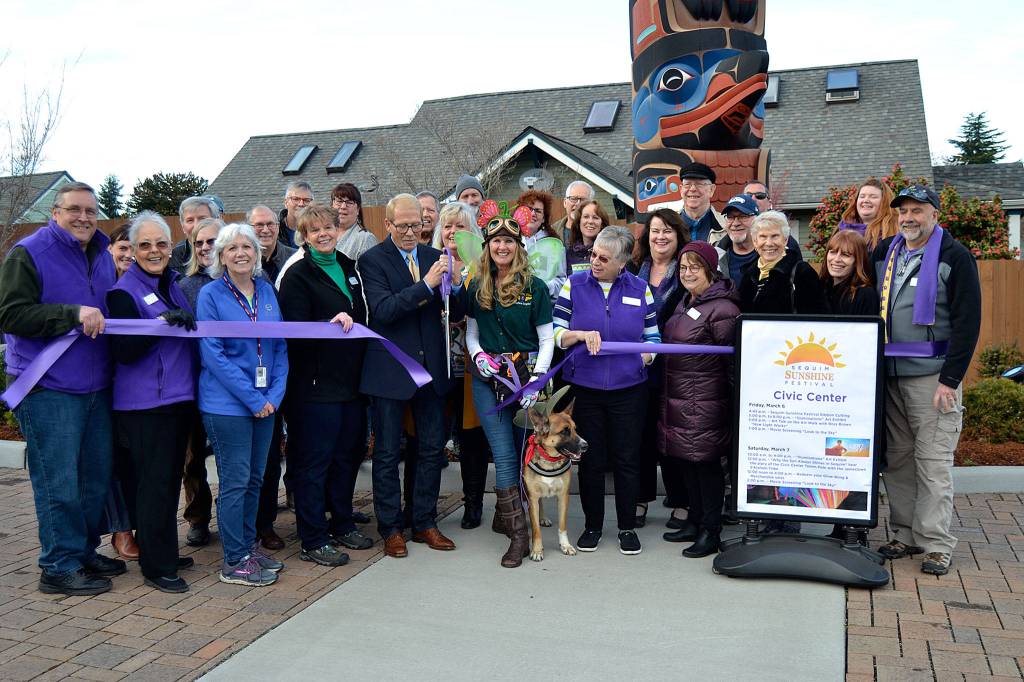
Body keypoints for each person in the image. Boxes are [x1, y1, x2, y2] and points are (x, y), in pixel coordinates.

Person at [0, 182, 125, 595]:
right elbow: (11, 314)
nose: (84, 218)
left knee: (93, 478)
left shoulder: (103, 255)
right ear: (55, 212)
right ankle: (58, 565)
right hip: (46, 385)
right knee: (59, 482)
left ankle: (83, 551)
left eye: (91, 211)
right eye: (74, 209)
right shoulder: (29, 253)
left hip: (95, 385)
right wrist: (71, 314)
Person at [872, 184, 981, 576]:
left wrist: (950, 379)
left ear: (935, 214)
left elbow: (968, 323)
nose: (909, 218)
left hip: (933, 379)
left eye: (918, 210)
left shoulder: (955, 257)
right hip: (890, 376)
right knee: (897, 460)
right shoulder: (887, 252)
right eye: (903, 211)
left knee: (933, 462)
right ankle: (905, 532)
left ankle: (936, 543)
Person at [358, 193, 463, 558]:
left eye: (415, 224)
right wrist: (426, 286)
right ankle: (391, 528)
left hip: (432, 371)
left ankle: (424, 522)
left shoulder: (437, 258)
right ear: (386, 225)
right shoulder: (372, 260)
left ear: (423, 222)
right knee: (387, 453)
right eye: (401, 225)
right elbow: (384, 311)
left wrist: (458, 283)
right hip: (390, 371)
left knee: (431, 450)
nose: (408, 231)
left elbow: (457, 310)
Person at [106, 212, 198, 593]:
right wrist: (161, 324)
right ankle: (156, 566)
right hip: (145, 405)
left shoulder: (173, 284)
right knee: (154, 485)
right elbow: (124, 350)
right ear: (133, 250)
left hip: (178, 398)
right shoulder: (122, 293)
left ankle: (163, 550)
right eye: (144, 244)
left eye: (161, 243)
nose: (154, 251)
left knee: (168, 481)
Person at [554, 227, 660, 555]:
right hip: (584, 388)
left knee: (627, 459)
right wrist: (580, 334)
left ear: (622, 263)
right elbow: (557, 332)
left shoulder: (640, 289)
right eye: (593, 254)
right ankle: (593, 526)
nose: (594, 261)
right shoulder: (575, 283)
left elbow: (653, 338)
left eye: (604, 258)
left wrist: (643, 359)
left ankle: (627, 527)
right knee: (591, 460)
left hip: (628, 390)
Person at [279, 203, 373, 566]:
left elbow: (362, 315)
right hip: (313, 388)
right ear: (303, 236)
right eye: (313, 230)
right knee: (312, 462)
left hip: (351, 384)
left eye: (328, 228)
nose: (322, 234)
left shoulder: (349, 267)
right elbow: (295, 330)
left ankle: (342, 520)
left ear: (338, 229)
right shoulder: (297, 275)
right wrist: (327, 322)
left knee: (347, 456)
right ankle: (313, 536)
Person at [196, 223, 288, 586]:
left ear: (257, 253)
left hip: (265, 403)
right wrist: (253, 399)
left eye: (246, 247)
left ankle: (248, 548)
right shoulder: (211, 295)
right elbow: (213, 355)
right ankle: (233, 560)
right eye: (231, 248)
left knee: (254, 479)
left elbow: (280, 346)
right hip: (227, 405)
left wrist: (273, 397)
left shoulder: (266, 291)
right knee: (235, 482)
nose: (240, 253)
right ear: (221, 256)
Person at [466, 209, 554, 567]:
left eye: (508, 241)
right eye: (495, 241)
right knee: (503, 455)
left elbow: (547, 338)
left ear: (519, 247)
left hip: (528, 378)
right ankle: (520, 536)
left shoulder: (536, 288)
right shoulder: (477, 285)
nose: (502, 247)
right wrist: (478, 356)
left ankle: (507, 516)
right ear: (487, 248)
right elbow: (470, 333)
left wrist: (538, 378)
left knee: (523, 455)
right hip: (489, 380)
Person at [657, 241, 740, 558]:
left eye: (695, 266)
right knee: (687, 461)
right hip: (680, 397)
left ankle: (711, 530)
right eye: (683, 267)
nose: (688, 272)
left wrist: (728, 405)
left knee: (705, 465)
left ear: (710, 270)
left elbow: (731, 363)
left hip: (706, 400)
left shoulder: (723, 309)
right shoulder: (685, 301)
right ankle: (693, 520)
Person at [629, 208, 690, 528]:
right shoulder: (635, 268)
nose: (661, 236)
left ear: (678, 235)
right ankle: (639, 499)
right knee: (640, 435)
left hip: (676, 367)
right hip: (638, 367)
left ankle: (681, 502)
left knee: (672, 437)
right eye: (655, 231)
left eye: (668, 230)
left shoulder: (688, 271)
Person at [431, 202, 490, 529]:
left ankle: (473, 502)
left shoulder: (482, 266)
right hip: (437, 363)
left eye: (460, 226)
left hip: (471, 363)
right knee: (433, 434)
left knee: (472, 439)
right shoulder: (430, 261)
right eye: (448, 226)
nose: (452, 232)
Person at [178, 217, 225, 547]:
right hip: (193, 382)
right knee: (192, 459)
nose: (206, 247)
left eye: (212, 241)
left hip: (229, 386)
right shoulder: (183, 286)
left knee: (229, 457)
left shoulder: (244, 281)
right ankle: (198, 518)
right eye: (200, 243)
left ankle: (234, 517)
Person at [103, 223, 139, 561]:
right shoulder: (99, 288)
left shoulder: (145, 285)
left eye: (133, 248)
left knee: (135, 464)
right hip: (104, 383)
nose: (128, 255)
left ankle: (139, 527)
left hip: (137, 387)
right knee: (113, 463)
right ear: (111, 250)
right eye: (122, 248)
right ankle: (121, 530)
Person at [738, 210, 828, 315]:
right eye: (763, 236)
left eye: (775, 236)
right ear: (755, 241)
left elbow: (818, 319)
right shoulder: (748, 275)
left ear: (785, 240)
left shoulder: (802, 273)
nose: (769, 243)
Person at [516, 189, 567, 299]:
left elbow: (561, 281)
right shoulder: (508, 241)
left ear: (544, 218)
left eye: (538, 211)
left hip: (542, 304)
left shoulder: (554, 246)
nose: (533, 214)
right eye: (529, 209)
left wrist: (543, 287)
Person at [820, 230, 880, 315]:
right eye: (833, 252)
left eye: (845, 255)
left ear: (857, 261)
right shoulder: (821, 289)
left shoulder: (865, 295)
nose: (836, 259)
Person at [838, 177, 899, 251]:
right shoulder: (842, 228)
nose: (866, 200)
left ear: (884, 202)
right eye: (862, 196)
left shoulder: (895, 231)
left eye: (873, 197)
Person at [169, 196, 220, 275]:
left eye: (202, 219)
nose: (196, 225)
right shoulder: (174, 259)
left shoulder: (230, 251)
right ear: (183, 227)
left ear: (216, 221)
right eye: (190, 220)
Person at [716, 194, 761, 283]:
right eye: (730, 217)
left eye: (743, 217)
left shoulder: (769, 256)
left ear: (757, 220)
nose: (735, 223)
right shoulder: (715, 259)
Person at [678, 162, 725, 245]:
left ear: (712, 190)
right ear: (681, 190)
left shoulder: (726, 226)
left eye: (699, 184)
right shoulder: (668, 225)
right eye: (687, 184)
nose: (692, 189)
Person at [249, 205, 296, 285]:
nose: (265, 230)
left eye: (270, 224)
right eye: (259, 225)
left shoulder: (294, 258)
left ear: (278, 227)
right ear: (248, 228)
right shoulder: (243, 261)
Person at [565, 200, 610, 273]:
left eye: (595, 217)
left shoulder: (610, 253)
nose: (590, 221)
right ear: (579, 222)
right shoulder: (569, 254)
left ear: (602, 224)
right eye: (586, 217)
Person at [279, 181, 314, 248]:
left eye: (306, 200)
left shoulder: (319, 230)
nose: (301, 204)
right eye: (296, 199)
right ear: (286, 203)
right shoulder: (275, 231)